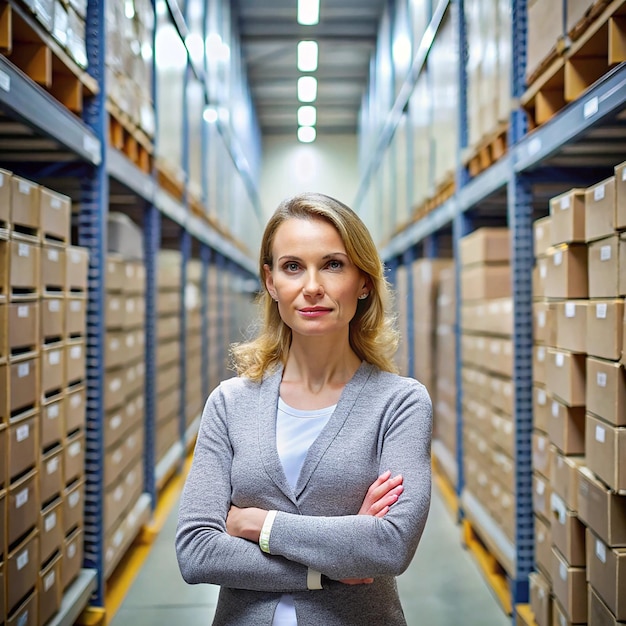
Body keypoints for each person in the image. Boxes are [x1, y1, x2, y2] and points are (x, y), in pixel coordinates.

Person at [175, 192, 432, 625]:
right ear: (272, 282)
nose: (312, 286)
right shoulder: (229, 403)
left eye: (333, 264)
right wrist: (330, 565)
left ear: (364, 281)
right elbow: (197, 551)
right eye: (293, 266)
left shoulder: (400, 403)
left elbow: (389, 546)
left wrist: (258, 524)